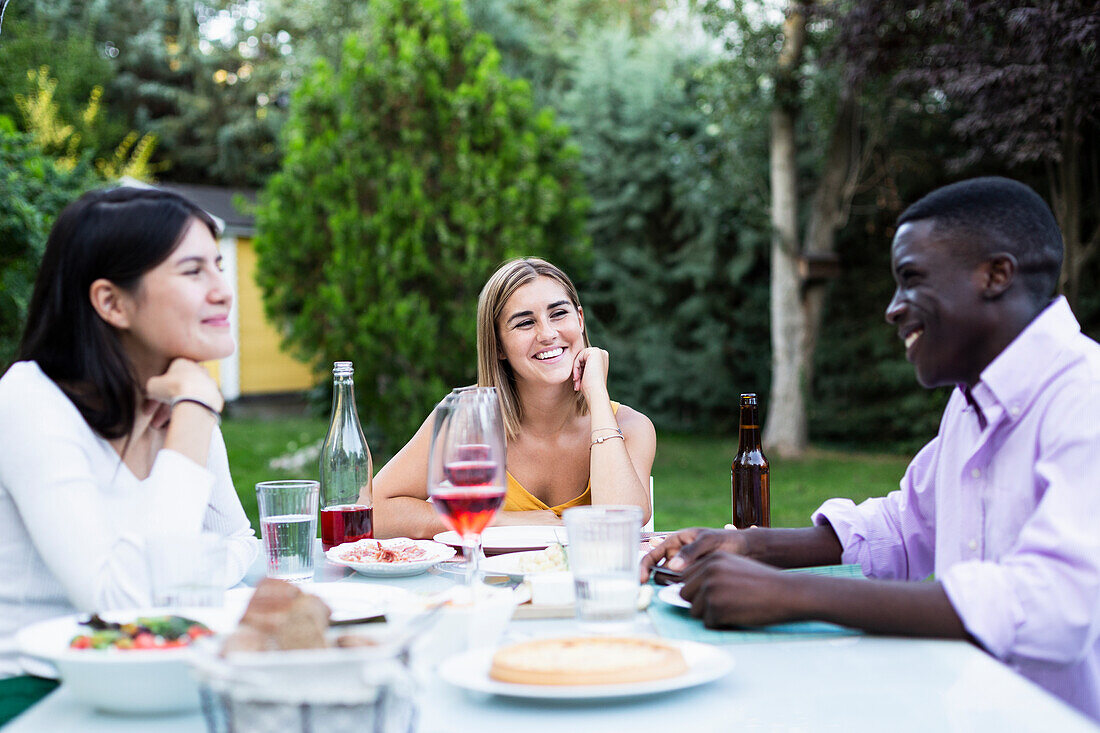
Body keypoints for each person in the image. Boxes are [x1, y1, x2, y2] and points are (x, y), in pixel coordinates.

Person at [642, 177, 1100, 721]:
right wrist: (750, 546)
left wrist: (793, 596)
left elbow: (1056, 603)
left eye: (911, 281)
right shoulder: (970, 403)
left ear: (996, 275)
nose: (892, 309)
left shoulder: (1084, 397)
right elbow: (905, 526)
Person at [0, 187, 259, 676]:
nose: (223, 290)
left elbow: (236, 541)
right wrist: (194, 413)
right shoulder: (30, 402)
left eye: (218, 267)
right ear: (112, 303)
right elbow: (118, 606)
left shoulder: (176, 397)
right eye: (192, 271)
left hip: (143, 672)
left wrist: (171, 576)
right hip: (36, 693)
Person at [373, 257, 656, 539]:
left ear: (580, 320)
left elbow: (621, 522)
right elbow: (374, 511)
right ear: (498, 346)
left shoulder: (631, 426)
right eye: (525, 323)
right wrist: (500, 521)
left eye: (558, 314)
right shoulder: (466, 418)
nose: (547, 334)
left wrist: (597, 395)